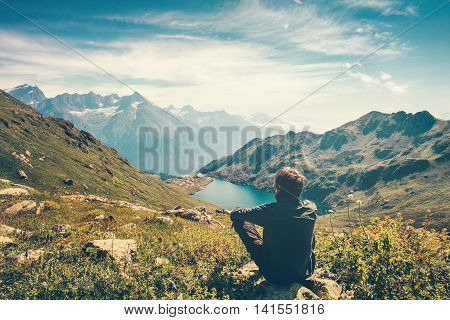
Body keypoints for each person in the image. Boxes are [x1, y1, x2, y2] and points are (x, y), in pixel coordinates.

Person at [230, 167, 317, 285]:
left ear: (279, 188)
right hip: (304, 273)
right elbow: (310, 204)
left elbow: (236, 214)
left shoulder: (270, 211)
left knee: (240, 221)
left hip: (275, 276)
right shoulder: (310, 210)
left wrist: (238, 210)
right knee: (307, 227)